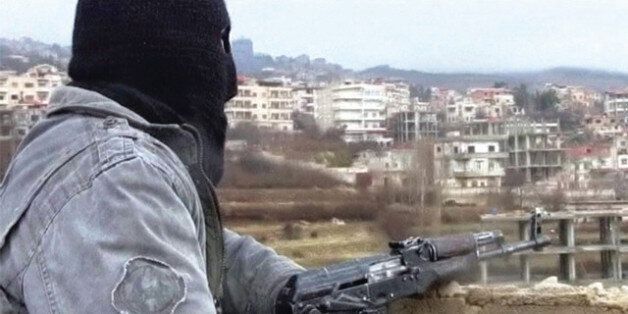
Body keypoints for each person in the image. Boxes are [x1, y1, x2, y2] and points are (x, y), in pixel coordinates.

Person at [0, 0, 303, 312]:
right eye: (220, 42)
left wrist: (296, 291)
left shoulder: (84, 152)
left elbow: (192, 248)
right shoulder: (114, 182)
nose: (229, 82)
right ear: (168, 56)